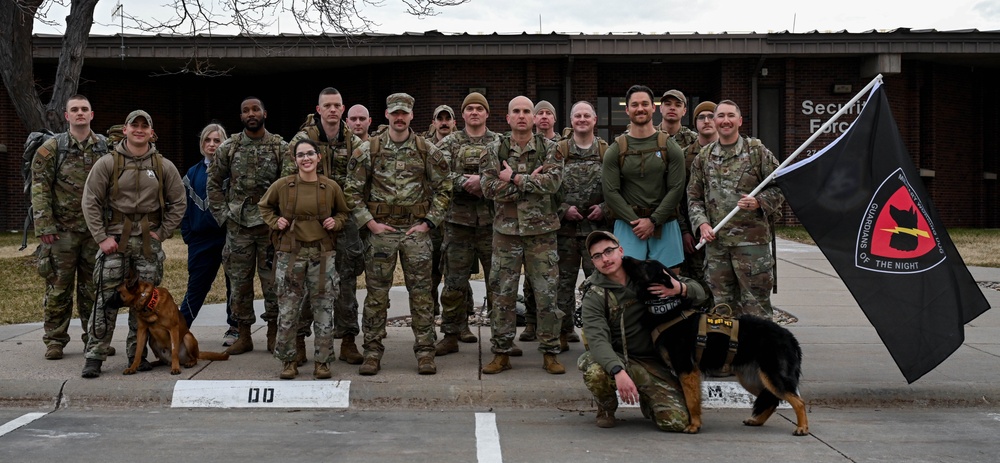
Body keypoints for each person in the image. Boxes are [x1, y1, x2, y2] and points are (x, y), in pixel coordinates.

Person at [344, 93, 451, 376]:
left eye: (404, 113)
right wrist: (370, 223)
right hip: (382, 232)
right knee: (377, 295)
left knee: (422, 295)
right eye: (395, 113)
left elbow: (444, 189)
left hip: (416, 232)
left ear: (411, 116)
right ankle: (372, 352)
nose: (399, 118)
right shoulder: (369, 150)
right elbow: (351, 191)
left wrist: (429, 222)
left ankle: (426, 351)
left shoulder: (426, 150)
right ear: (387, 115)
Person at [80, 109, 186, 378]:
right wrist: (101, 237)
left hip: (148, 244)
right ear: (124, 130)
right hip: (115, 239)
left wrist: (163, 232)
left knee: (144, 302)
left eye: (144, 126)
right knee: (106, 299)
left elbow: (179, 201)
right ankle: (95, 355)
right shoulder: (108, 163)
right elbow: (90, 200)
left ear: (151, 132)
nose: (139, 129)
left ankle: (135, 355)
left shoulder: (163, 166)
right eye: (133, 125)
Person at [577, 230, 707, 430]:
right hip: (618, 357)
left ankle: (650, 400)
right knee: (595, 370)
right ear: (593, 262)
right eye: (597, 256)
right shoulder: (594, 294)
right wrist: (617, 371)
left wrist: (679, 288)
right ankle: (606, 406)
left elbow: (700, 293)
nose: (605, 259)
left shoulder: (646, 271)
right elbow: (597, 339)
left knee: (676, 422)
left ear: (620, 250)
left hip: (652, 362)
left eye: (609, 251)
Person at [480, 95, 565, 375]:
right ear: (507, 118)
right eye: (515, 111)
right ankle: (501, 351)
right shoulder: (494, 150)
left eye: (526, 111)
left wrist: (514, 178)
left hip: (542, 233)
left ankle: (550, 351)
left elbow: (552, 183)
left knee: (546, 295)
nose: (521, 116)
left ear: (533, 117)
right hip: (506, 233)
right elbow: (488, 188)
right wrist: (530, 183)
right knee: (502, 293)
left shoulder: (551, 148)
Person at [260, 139, 352, 380]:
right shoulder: (283, 186)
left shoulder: (330, 187)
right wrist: (275, 221)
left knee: (323, 310)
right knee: (288, 311)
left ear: (318, 157)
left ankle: (323, 362)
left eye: (310, 153)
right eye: (301, 155)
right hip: (291, 256)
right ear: (295, 159)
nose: (306, 159)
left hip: (322, 257)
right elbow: (264, 207)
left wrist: (337, 222)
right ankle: (288, 360)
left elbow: (343, 212)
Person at [285, 88, 365, 366]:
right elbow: (288, 181)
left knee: (346, 282)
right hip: (309, 225)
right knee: (308, 284)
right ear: (318, 110)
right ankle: (298, 341)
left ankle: (348, 340)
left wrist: (343, 213)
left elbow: (360, 182)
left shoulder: (355, 142)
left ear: (343, 109)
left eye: (337, 105)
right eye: (327, 106)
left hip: (344, 223)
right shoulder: (302, 142)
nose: (333, 110)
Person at [207, 97, 289, 355]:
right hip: (239, 226)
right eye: (246, 111)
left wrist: (282, 220)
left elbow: (288, 186)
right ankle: (243, 335)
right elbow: (213, 183)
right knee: (239, 283)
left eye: (255, 109)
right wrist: (223, 215)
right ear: (241, 116)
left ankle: (274, 334)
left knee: (273, 282)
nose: (251, 114)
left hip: (269, 227)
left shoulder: (280, 147)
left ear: (265, 113)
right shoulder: (229, 148)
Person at [30, 94, 110, 360]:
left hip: (95, 232)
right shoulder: (52, 148)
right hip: (61, 232)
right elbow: (40, 188)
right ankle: (55, 340)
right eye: (74, 109)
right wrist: (44, 226)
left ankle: (94, 339)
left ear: (91, 115)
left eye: (84, 109)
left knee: (94, 288)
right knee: (58, 288)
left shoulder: (105, 148)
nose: (79, 113)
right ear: (66, 116)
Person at [688, 100, 784, 318]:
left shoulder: (757, 152)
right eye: (720, 116)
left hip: (751, 247)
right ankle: (730, 352)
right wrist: (701, 224)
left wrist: (759, 201)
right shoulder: (704, 157)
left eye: (730, 116)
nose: (725, 121)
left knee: (756, 309)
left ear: (739, 121)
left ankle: (758, 352)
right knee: (723, 309)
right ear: (714, 121)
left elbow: (781, 186)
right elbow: (694, 197)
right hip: (717, 246)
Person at [434, 92, 500, 356]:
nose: (474, 112)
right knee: (454, 283)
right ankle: (451, 333)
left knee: (498, 283)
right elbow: (437, 174)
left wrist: (483, 184)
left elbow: (506, 170)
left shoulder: (499, 142)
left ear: (486, 114)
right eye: (469, 108)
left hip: (492, 225)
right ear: (462, 114)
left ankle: (501, 337)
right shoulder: (449, 143)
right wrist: (463, 182)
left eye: (479, 109)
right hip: (457, 224)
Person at [602, 85, 686, 270]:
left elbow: (676, 188)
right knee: (627, 284)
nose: (640, 108)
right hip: (628, 225)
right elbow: (610, 192)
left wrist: (654, 221)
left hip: (665, 223)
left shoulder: (670, 147)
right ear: (627, 109)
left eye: (645, 104)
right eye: (634, 105)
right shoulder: (615, 150)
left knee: (668, 284)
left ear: (653, 108)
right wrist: (637, 223)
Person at [551, 101, 607, 350]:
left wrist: (605, 208)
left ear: (595, 120)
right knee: (562, 285)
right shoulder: (559, 150)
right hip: (566, 232)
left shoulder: (607, 150)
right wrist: (563, 209)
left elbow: (618, 186)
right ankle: (563, 333)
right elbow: (547, 187)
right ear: (571, 121)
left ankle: (596, 336)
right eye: (577, 116)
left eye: (587, 115)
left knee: (597, 285)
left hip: (597, 234)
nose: (582, 119)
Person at [179, 123, 237, 345]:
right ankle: (181, 326)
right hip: (200, 240)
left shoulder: (232, 171)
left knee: (235, 285)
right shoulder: (192, 174)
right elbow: (183, 207)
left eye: (217, 140)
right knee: (197, 285)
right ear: (202, 143)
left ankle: (235, 327)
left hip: (228, 237)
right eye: (208, 140)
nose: (212, 145)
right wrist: (188, 235)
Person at [677, 101, 718, 283]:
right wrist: (685, 231)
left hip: (724, 233)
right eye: (701, 117)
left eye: (711, 116)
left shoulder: (731, 153)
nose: (707, 121)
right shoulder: (684, 156)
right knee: (696, 286)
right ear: (695, 123)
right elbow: (677, 198)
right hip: (694, 236)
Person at [424, 104, 456, 320]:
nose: (444, 122)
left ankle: (460, 315)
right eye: (440, 118)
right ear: (434, 122)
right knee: (432, 266)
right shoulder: (424, 148)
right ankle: (431, 310)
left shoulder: (459, 144)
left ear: (454, 122)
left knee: (455, 268)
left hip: (456, 216)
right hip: (432, 215)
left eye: (448, 118)